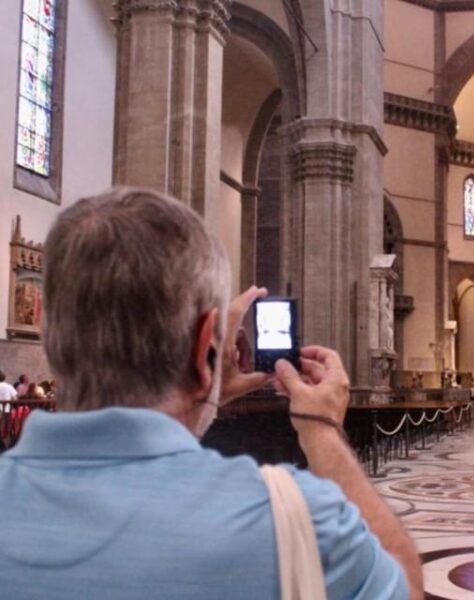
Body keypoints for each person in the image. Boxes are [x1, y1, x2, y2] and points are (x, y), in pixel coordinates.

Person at [0, 188, 422, 599]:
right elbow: (405, 585)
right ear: (207, 346)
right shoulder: (292, 521)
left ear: (47, 333)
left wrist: (205, 391)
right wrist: (322, 431)